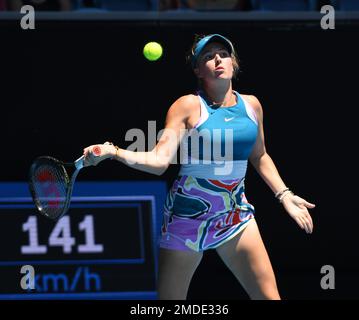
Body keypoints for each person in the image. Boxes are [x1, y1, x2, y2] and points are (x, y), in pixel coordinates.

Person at [83, 34, 316, 300]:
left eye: (223, 54)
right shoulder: (187, 106)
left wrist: (284, 195)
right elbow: (160, 161)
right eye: (208, 56)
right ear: (197, 69)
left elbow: (259, 155)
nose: (218, 59)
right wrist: (115, 152)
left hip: (234, 214)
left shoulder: (252, 106)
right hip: (186, 218)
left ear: (234, 64)